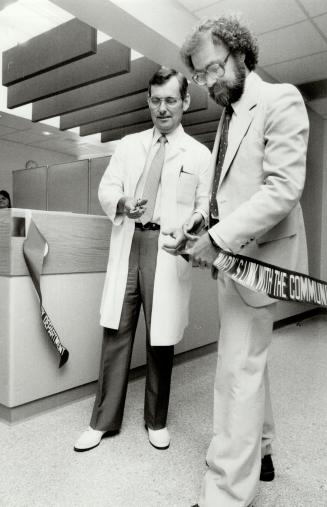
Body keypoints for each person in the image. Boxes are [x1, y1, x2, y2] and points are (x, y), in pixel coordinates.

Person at [163, 14, 309, 507]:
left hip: (259, 260)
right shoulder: (229, 114)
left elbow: (282, 189)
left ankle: (227, 492)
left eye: (213, 69)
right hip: (231, 257)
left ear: (241, 53)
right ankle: (262, 452)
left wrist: (219, 239)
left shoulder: (280, 99)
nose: (208, 82)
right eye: (201, 75)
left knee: (234, 372)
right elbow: (217, 188)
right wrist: (196, 223)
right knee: (249, 365)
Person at [74, 67, 211, 453]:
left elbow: (204, 208)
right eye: (155, 100)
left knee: (160, 337)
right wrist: (121, 202)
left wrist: (196, 221)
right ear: (147, 101)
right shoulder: (129, 144)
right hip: (130, 239)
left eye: (170, 100)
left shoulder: (199, 154)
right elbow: (107, 187)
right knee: (116, 332)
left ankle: (156, 419)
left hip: (166, 248)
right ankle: (102, 421)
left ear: (184, 102)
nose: (162, 108)